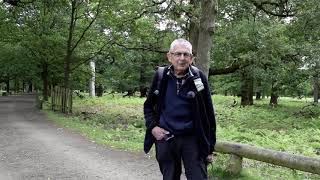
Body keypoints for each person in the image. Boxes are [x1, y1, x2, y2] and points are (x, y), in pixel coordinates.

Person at [143, 38, 216, 180]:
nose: (182, 58)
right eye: (177, 54)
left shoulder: (199, 78)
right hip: (166, 138)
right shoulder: (160, 76)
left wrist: (210, 147)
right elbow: (148, 106)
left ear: (191, 58)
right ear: (169, 56)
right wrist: (153, 128)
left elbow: (209, 114)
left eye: (186, 54)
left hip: (193, 139)